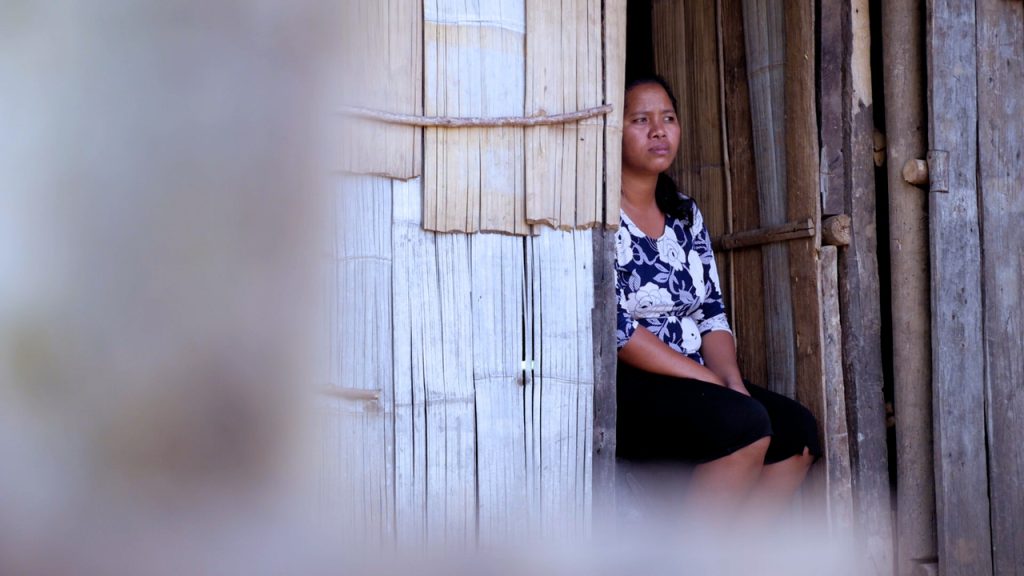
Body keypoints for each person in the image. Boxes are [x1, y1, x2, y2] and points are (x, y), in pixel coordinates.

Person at [614, 75, 820, 521]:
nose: (658, 131)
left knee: (796, 432)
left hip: (697, 378)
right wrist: (704, 379)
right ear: (613, 130)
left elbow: (711, 312)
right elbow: (618, 330)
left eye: (668, 118)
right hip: (631, 386)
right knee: (744, 426)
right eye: (641, 120)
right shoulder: (601, 217)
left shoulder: (684, 213)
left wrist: (731, 380)